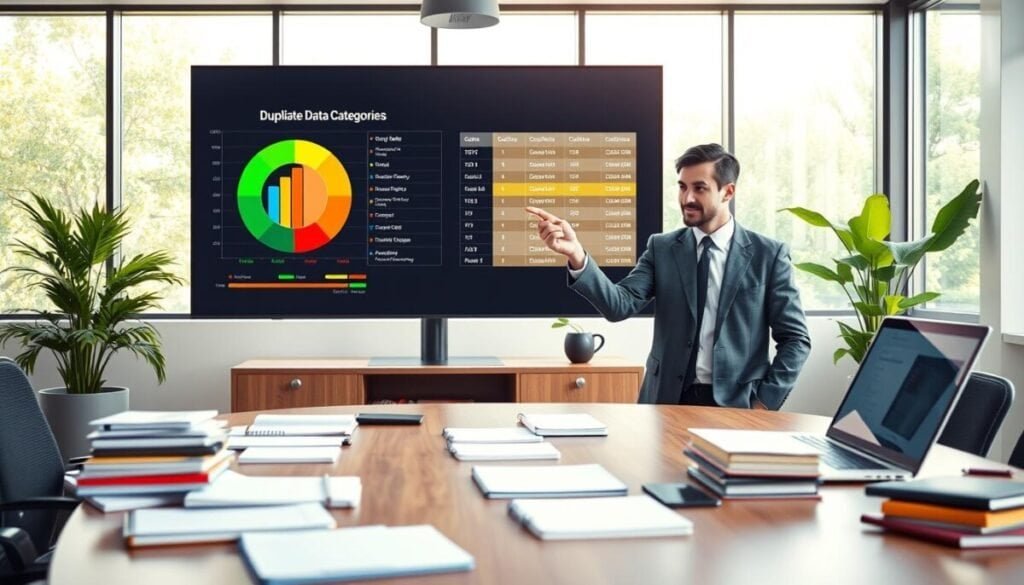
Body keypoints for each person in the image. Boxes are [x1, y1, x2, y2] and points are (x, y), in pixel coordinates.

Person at [526, 143, 810, 409]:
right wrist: (576, 254)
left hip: (738, 405)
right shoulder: (661, 248)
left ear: (728, 192)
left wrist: (764, 403)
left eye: (700, 188)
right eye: (683, 187)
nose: (687, 198)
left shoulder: (768, 255)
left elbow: (795, 339)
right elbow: (619, 305)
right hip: (667, 401)